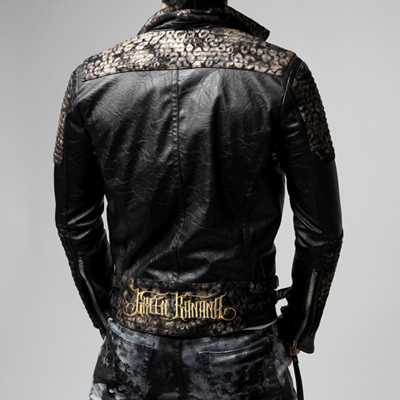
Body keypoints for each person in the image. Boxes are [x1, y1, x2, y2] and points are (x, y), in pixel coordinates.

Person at [54, 0, 343, 398]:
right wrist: (298, 328)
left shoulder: (90, 79)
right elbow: (322, 232)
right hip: (242, 337)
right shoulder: (282, 73)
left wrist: (114, 317)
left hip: (135, 333)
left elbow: (74, 223)